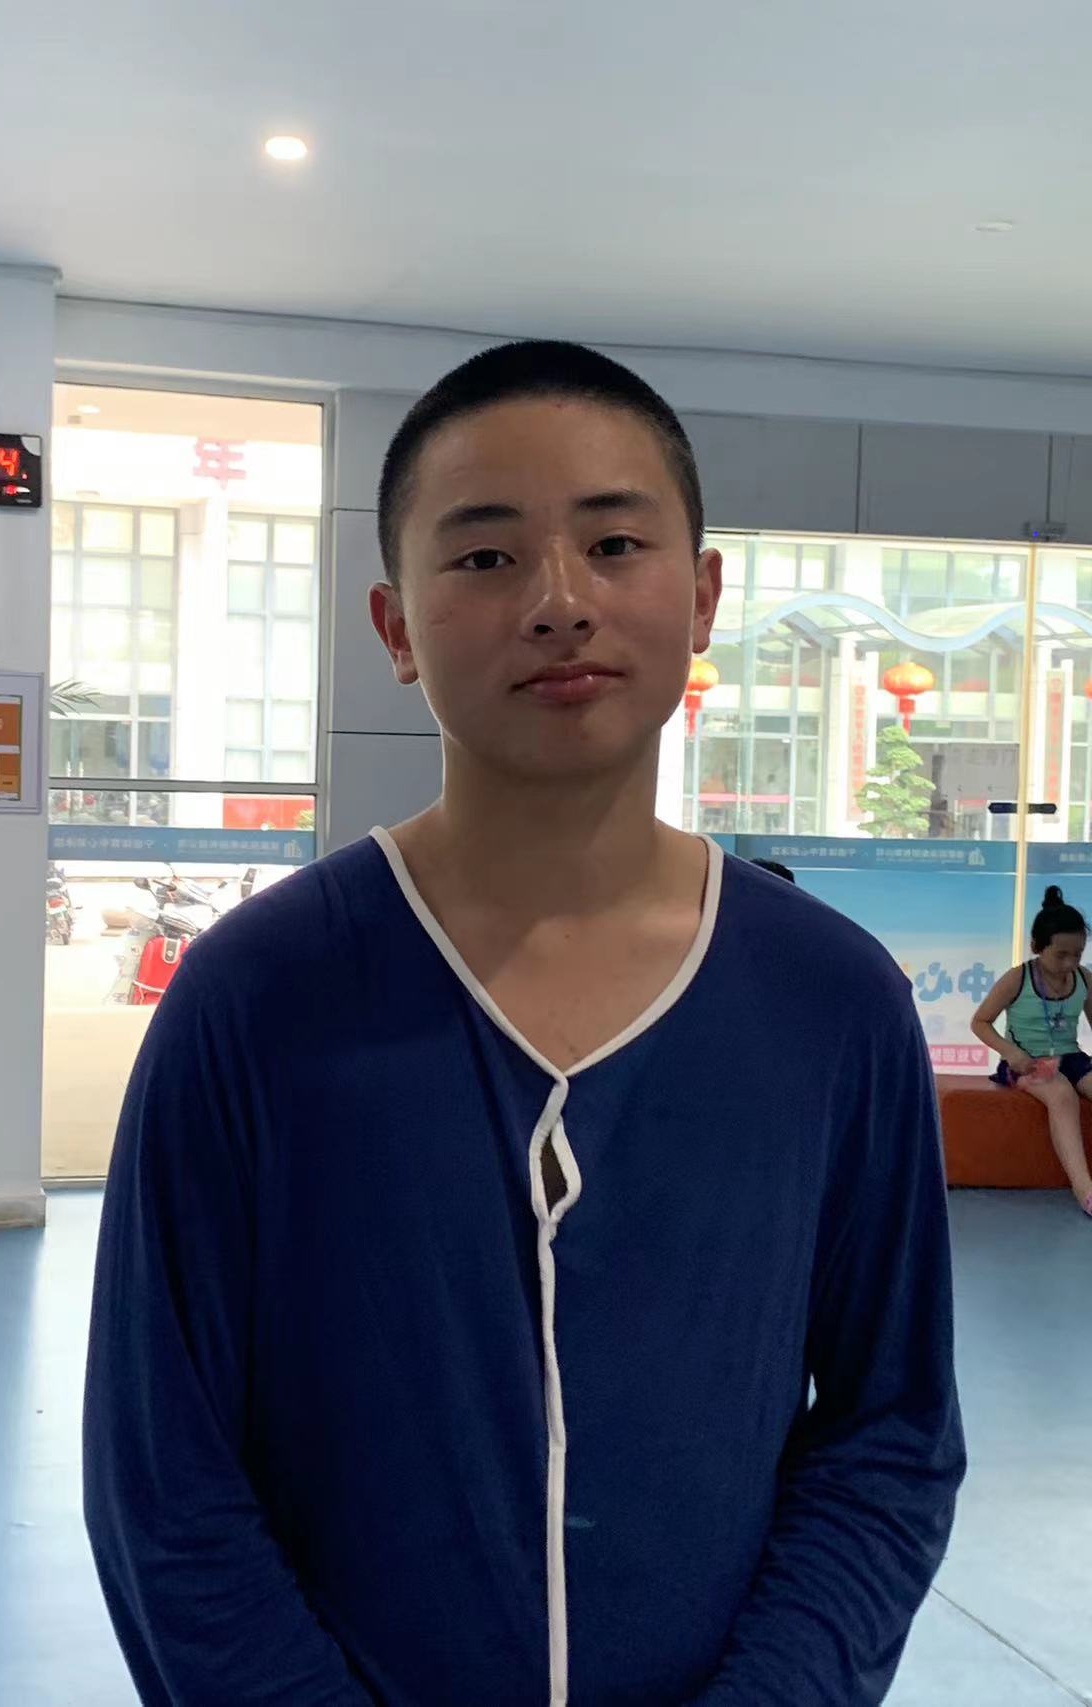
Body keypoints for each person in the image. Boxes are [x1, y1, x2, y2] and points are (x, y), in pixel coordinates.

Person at [83, 339, 965, 1705]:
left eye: (613, 543)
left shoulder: (828, 1004)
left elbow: (888, 1431)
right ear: (393, 627)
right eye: (487, 557)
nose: (559, 602)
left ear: (702, 595)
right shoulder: (256, 1001)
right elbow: (163, 1474)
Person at [971, 885, 1092, 1216]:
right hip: (1026, 1062)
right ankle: (1084, 1188)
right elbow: (980, 1022)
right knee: (1061, 1095)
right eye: (1061, 955)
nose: (1070, 963)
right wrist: (1010, 1053)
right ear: (1037, 947)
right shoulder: (1017, 978)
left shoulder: (1084, 979)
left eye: (1078, 954)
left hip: (1072, 1058)